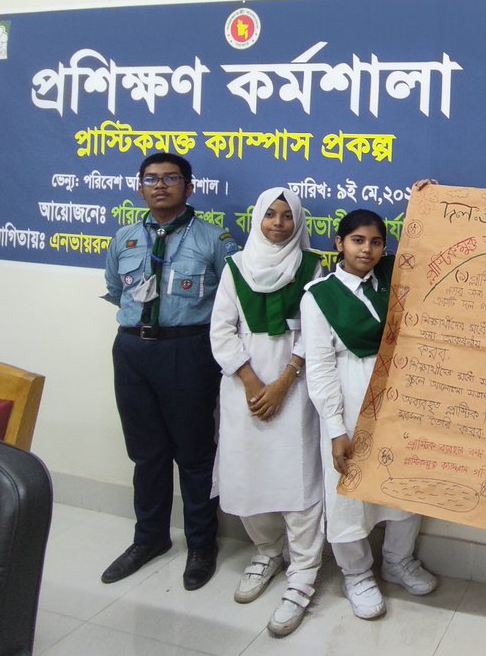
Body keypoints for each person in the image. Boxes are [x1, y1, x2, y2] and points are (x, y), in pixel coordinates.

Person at [101, 152, 239, 590]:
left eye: (170, 178)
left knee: (196, 455)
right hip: (132, 352)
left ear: (189, 187)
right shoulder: (124, 237)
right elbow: (113, 290)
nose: (160, 185)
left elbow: (231, 302)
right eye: (151, 179)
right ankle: (150, 538)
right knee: (146, 452)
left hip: (189, 352)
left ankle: (201, 545)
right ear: (140, 187)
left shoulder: (214, 239)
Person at [302, 208, 439, 621]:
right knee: (348, 493)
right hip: (349, 397)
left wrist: (428, 201)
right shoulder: (319, 295)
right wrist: (334, 428)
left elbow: (433, 247)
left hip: (400, 400)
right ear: (339, 244)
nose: (367, 249)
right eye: (358, 240)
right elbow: (320, 365)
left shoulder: (394, 281)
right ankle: (357, 572)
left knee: (404, 484)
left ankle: (398, 561)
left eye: (376, 242)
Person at [209, 187, 325, 637]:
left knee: (298, 479)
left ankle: (303, 574)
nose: (278, 223)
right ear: (257, 218)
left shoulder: (311, 265)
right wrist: (254, 383)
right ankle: (266, 551)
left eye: (287, 216)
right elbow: (221, 329)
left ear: (299, 221)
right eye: (270, 215)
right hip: (243, 388)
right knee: (248, 473)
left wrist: (282, 383)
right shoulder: (236, 266)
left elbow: (314, 332)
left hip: (295, 388)